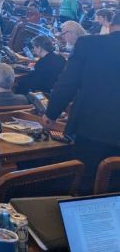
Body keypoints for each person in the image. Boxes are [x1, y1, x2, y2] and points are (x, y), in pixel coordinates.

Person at [44, 13, 120, 194]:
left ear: (110, 25)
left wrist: (51, 113)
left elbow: (67, 83)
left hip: (92, 129)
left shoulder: (89, 44)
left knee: (87, 184)